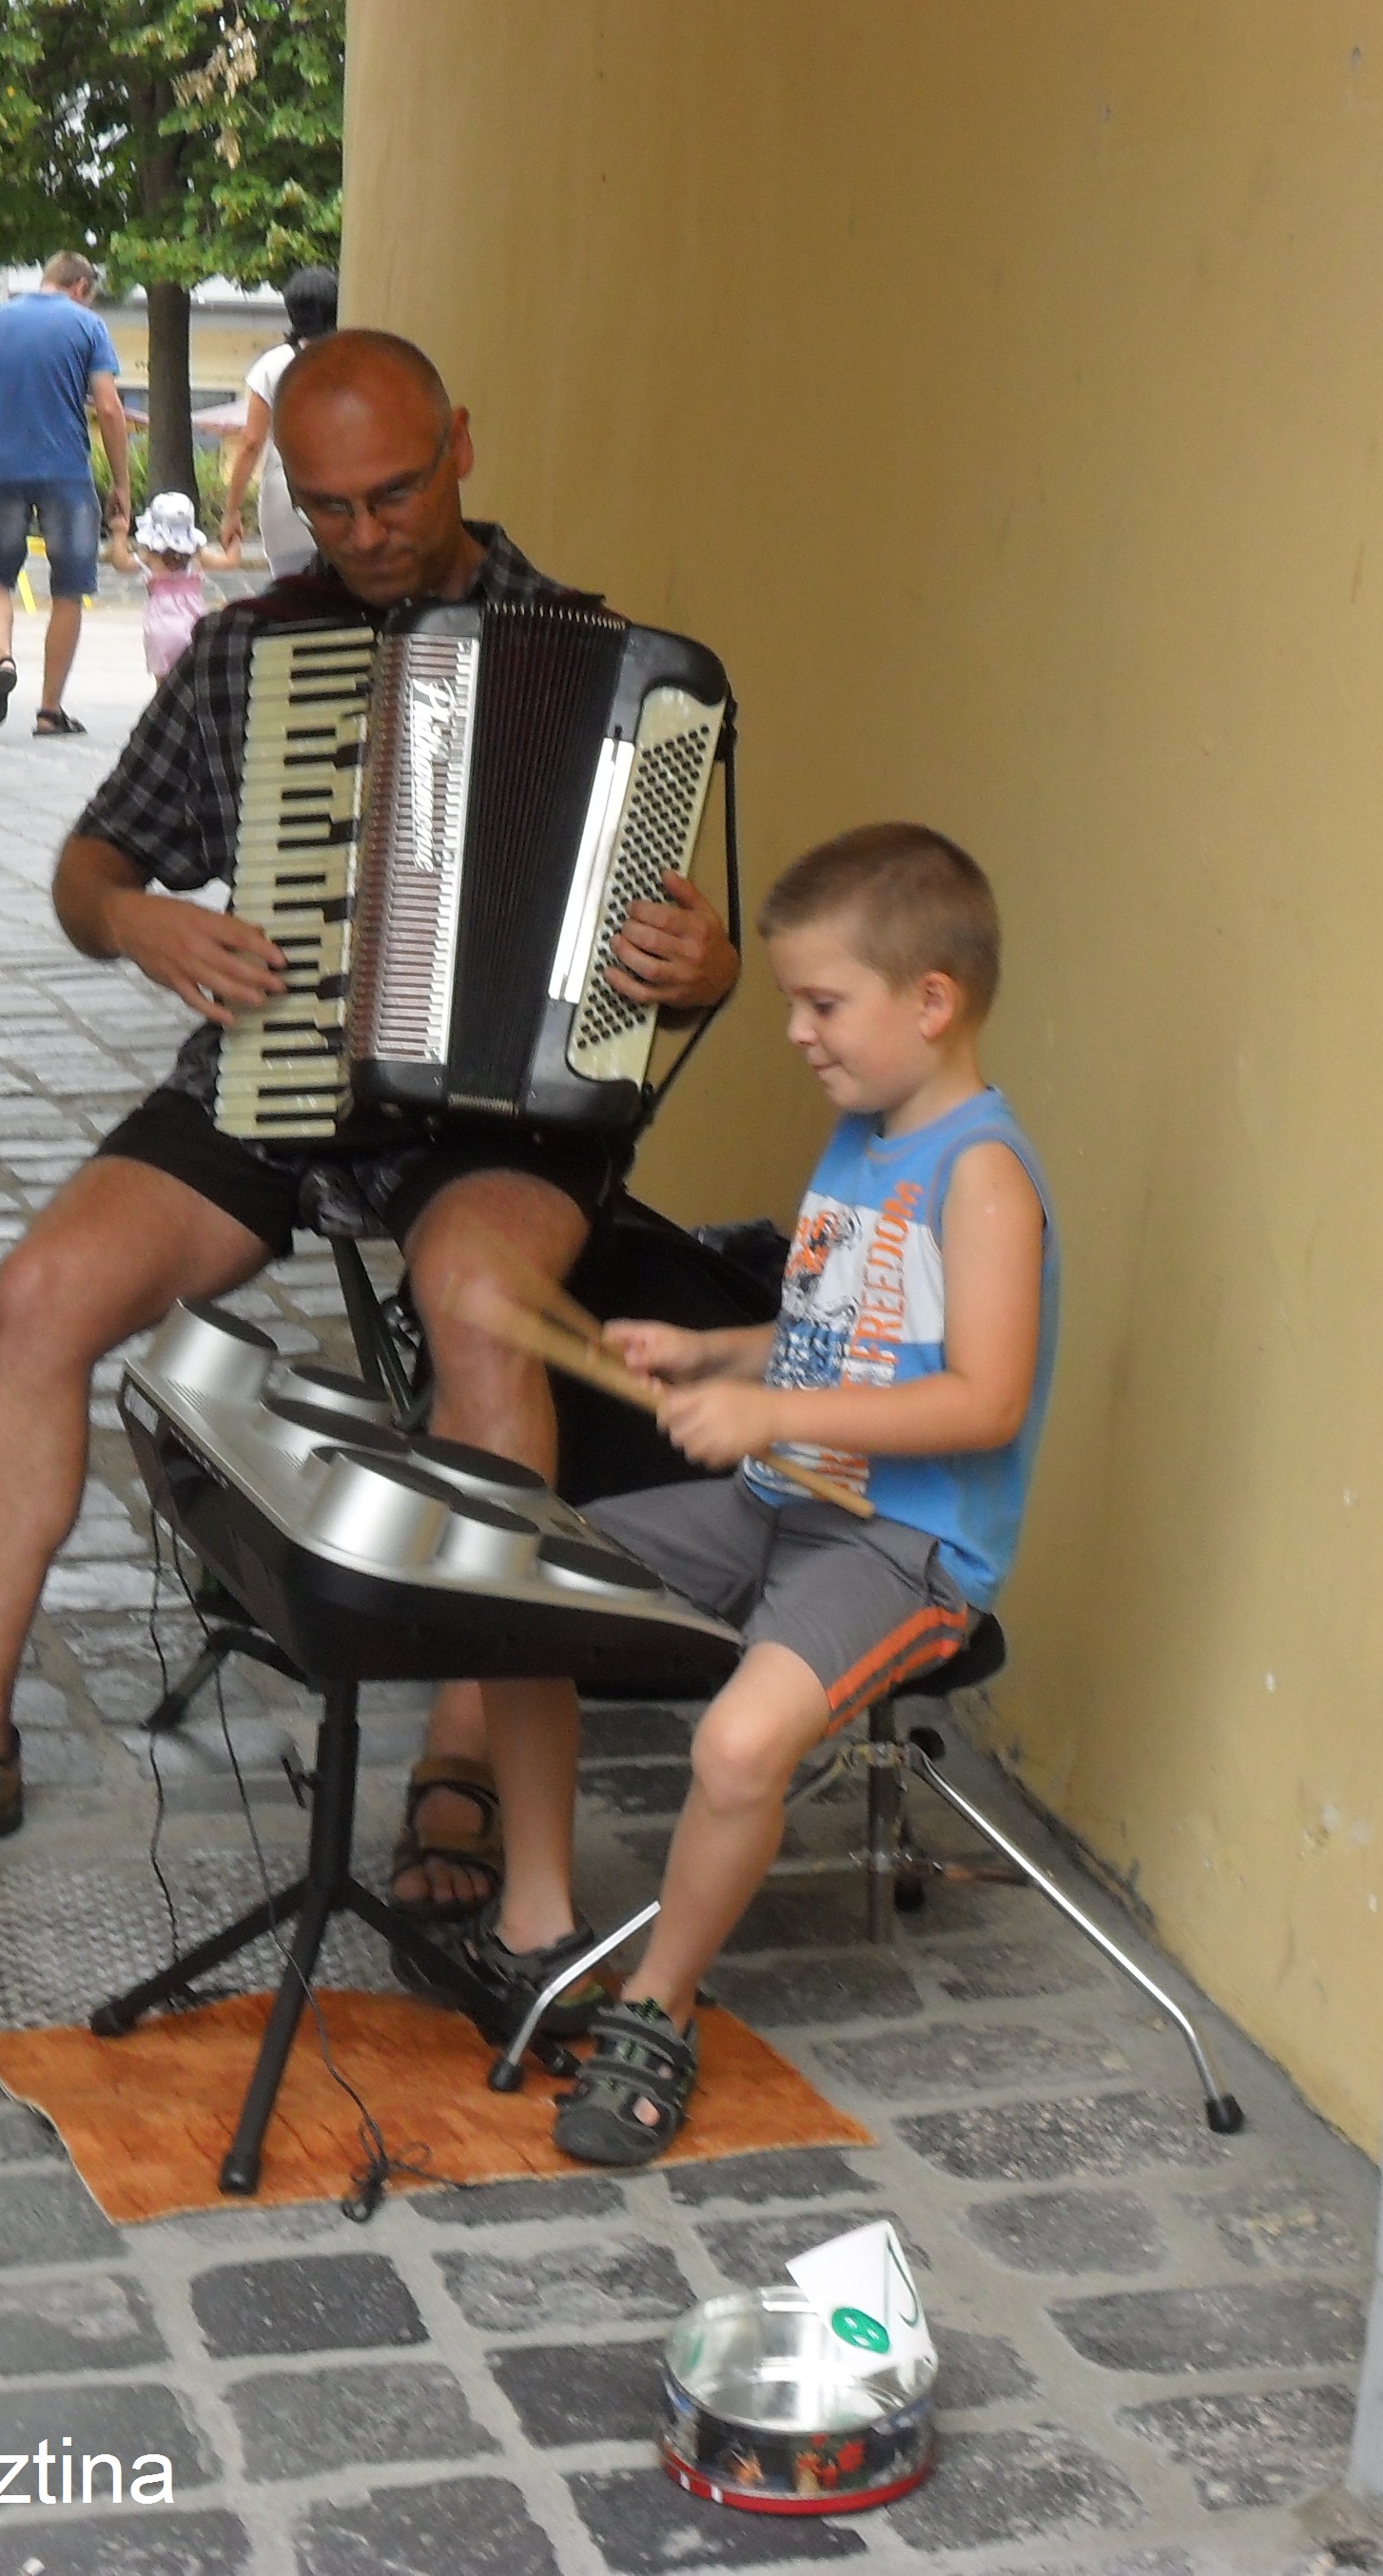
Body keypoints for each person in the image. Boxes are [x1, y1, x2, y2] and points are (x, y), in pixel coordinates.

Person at [0, 329, 741, 1901]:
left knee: (480, 1309)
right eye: (326, 507)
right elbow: (88, 869)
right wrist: (143, 926)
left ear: (461, 442)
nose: (365, 533)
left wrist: (699, 963)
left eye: (391, 492)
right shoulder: (252, 652)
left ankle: (460, 1748)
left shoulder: (600, 666)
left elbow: (670, 974)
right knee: (41, 1293)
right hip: (274, 1075)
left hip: (502, 1119)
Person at [478, 824, 1061, 2165]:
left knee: (737, 1749)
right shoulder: (860, 1139)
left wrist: (770, 1409)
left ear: (931, 1000)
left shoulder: (978, 1173)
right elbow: (839, 1340)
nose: (794, 1031)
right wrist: (710, 1353)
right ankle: (538, 1923)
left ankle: (658, 2009)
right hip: (776, 1502)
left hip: (903, 1546)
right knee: (513, 1577)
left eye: (820, 1004)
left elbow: (980, 1396)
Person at [0, 252, 134, 736]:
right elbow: (109, 407)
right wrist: (122, 483)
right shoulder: (88, 326)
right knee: (69, 589)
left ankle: (2, 660)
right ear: (80, 285)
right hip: (67, 477)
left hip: (3, 474)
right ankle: (49, 710)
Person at [220, 265, 339, 573]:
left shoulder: (273, 365)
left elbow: (250, 442)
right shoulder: (352, 358)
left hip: (285, 500)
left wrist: (231, 511)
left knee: (291, 597)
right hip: (342, 498)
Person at [103, 490, 240, 683]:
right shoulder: (197, 555)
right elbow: (230, 562)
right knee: (194, 682)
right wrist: (234, 538)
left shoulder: (150, 556)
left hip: (160, 629)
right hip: (194, 627)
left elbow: (121, 563)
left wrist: (119, 532)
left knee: (164, 689)